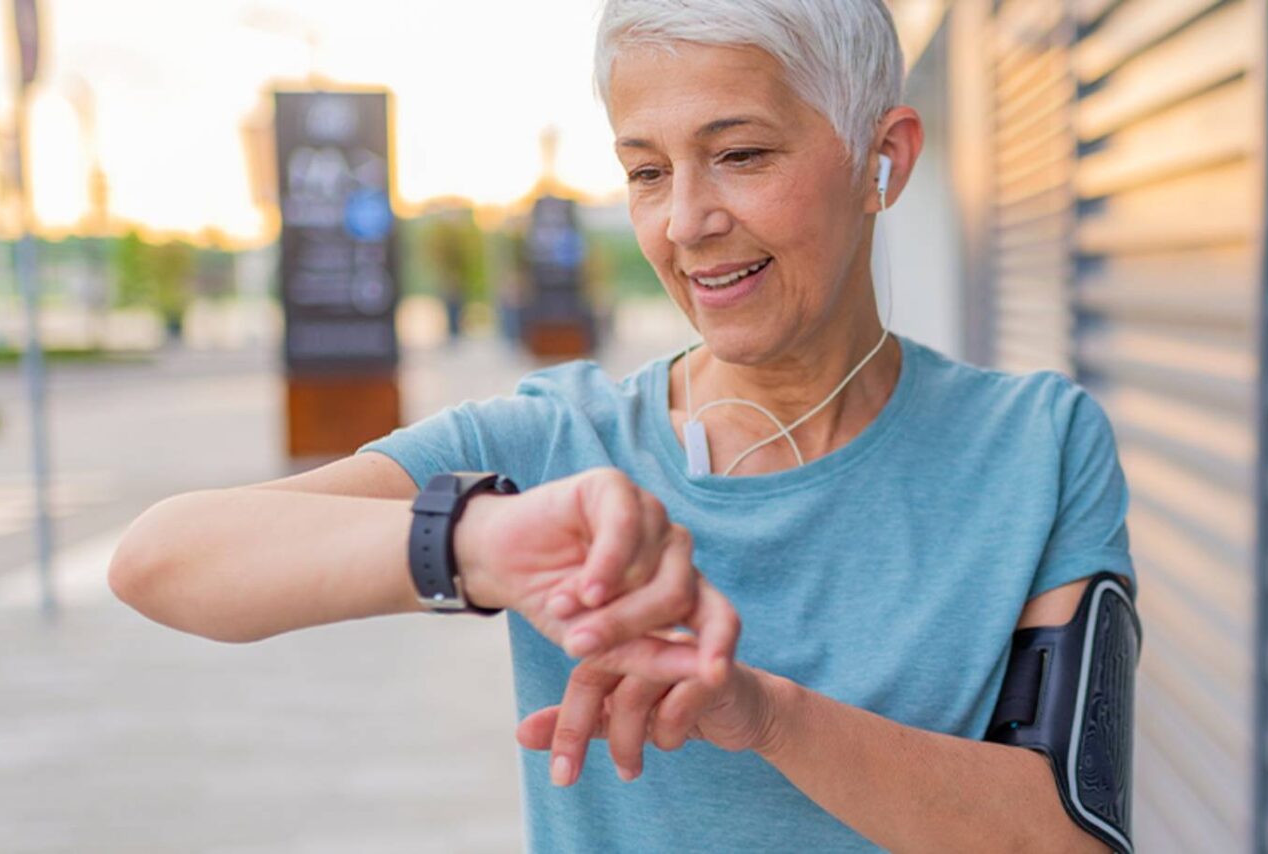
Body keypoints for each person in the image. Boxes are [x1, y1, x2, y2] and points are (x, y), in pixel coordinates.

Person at [108, 0, 1137, 850]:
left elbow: (1069, 835)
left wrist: (766, 714)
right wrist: (476, 542)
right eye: (646, 171)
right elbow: (161, 560)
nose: (685, 220)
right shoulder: (552, 442)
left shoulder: (1035, 445)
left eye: (738, 154)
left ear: (884, 158)